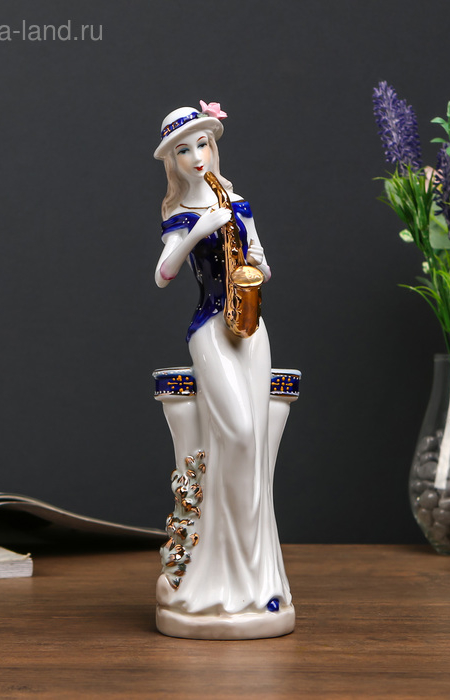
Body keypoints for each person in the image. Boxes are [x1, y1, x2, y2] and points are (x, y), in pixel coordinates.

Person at [153, 102, 293, 638]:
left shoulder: (238, 203)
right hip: (211, 326)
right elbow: (163, 274)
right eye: (184, 149)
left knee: (253, 444)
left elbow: (263, 262)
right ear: (172, 160)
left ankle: (255, 579)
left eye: (203, 144)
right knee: (235, 432)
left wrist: (252, 258)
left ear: (214, 147)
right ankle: (218, 568)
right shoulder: (179, 214)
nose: (196, 156)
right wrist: (200, 230)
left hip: (250, 327)